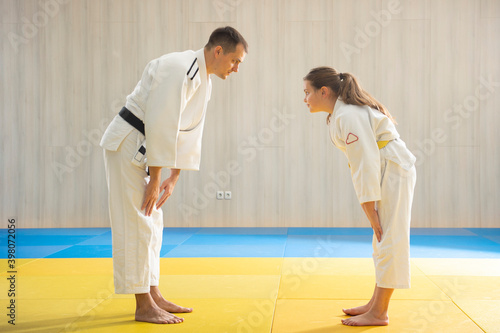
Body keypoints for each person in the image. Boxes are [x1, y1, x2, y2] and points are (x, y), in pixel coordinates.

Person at [100, 26, 248, 324]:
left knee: (153, 221)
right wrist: (156, 178)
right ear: (218, 51)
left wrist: (174, 175)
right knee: (137, 220)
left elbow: (189, 130)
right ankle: (143, 304)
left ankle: (154, 294)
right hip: (129, 141)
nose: (236, 69)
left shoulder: (203, 79)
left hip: (145, 148)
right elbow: (160, 121)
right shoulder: (178, 68)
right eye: (235, 61)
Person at [303, 67, 416, 326]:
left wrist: (370, 209)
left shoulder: (348, 115)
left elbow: (365, 162)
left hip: (393, 170)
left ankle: (380, 312)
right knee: (382, 239)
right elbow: (362, 162)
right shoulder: (339, 115)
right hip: (389, 167)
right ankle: (375, 304)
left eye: (307, 92)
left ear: (324, 91)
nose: (305, 99)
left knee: (387, 237)